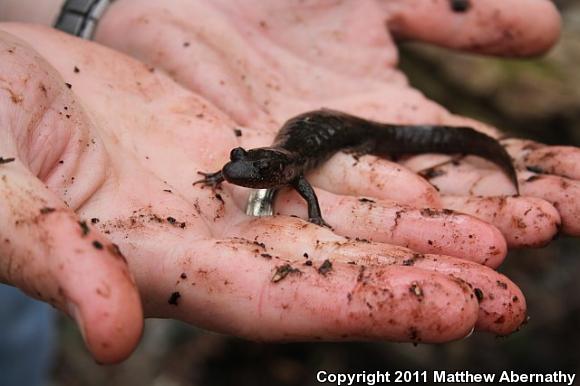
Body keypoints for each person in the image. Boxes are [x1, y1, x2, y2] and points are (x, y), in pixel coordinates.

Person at [0, 0, 575, 380]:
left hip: (360, 131)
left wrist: (318, 222)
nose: (236, 177)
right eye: (236, 170)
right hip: (316, 123)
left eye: (252, 175)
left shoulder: (296, 171)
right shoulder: (260, 165)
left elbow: (312, 195)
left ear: (280, 175)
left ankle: (474, 147)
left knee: (398, 142)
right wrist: (217, 174)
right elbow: (237, 167)